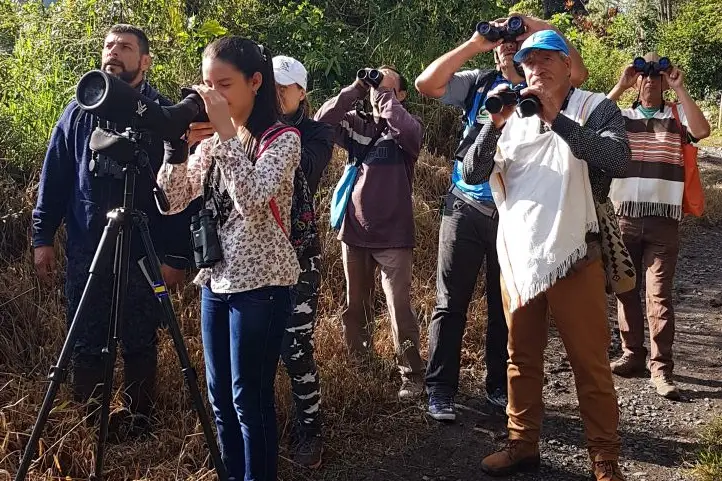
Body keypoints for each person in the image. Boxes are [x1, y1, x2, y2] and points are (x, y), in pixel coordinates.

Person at [462, 30, 630, 480]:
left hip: (576, 256)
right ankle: (522, 444)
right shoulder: (509, 113)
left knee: (589, 362)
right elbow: (472, 170)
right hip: (519, 259)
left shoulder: (594, 107)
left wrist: (559, 120)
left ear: (568, 65)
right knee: (520, 357)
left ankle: (604, 458)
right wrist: (491, 123)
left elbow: (618, 159)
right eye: (529, 62)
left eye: (546, 59)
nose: (536, 69)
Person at [414, 14, 589, 421]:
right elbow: (426, 85)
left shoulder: (542, 87)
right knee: (449, 302)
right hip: (466, 204)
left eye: (517, 39)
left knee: (503, 304)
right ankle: (440, 390)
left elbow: (577, 73)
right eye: (503, 40)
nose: (509, 43)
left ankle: (497, 385)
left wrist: (537, 24)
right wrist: (478, 42)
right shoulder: (476, 81)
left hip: (514, 212)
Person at [31, 24, 191, 438]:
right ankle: (88, 427)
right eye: (108, 46)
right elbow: (56, 177)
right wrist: (42, 237)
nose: (113, 53)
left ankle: (139, 423)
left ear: (145, 60)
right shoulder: (79, 110)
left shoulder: (162, 114)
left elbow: (180, 191)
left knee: (141, 339)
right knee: (86, 338)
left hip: (144, 249)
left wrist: (175, 256)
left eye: (124, 47)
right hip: (89, 249)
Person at [157, 36, 301, 481]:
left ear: (256, 82)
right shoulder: (215, 143)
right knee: (219, 397)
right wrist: (176, 148)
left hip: (261, 285)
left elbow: (254, 199)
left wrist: (223, 136)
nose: (211, 95)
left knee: (249, 399)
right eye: (205, 85)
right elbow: (172, 201)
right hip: (215, 281)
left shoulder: (283, 139)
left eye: (223, 84)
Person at [314, 66, 424, 400]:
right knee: (355, 304)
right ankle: (360, 365)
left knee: (398, 307)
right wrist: (356, 88)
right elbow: (321, 122)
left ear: (401, 96)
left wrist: (386, 100)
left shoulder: (405, 131)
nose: (380, 91)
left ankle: (412, 374)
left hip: (394, 234)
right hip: (355, 230)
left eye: (390, 87)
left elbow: (409, 131)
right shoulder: (359, 126)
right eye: (377, 84)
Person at [607, 53, 711, 400]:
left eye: (657, 75)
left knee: (659, 296)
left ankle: (661, 368)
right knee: (625, 290)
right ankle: (632, 354)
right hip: (624, 217)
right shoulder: (622, 116)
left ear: (665, 81)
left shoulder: (677, 117)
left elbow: (702, 131)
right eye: (644, 75)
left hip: (663, 221)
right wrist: (621, 84)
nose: (650, 80)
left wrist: (679, 88)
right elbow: (589, 126)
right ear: (637, 82)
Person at [273, 54, 334, 468]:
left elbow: (303, 173)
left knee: (294, 347)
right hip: (249, 257)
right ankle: (258, 428)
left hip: (298, 256)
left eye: (285, 87)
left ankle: (310, 428)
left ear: (302, 93)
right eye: (270, 87)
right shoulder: (243, 130)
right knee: (253, 349)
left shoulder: (316, 133)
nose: (276, 95)